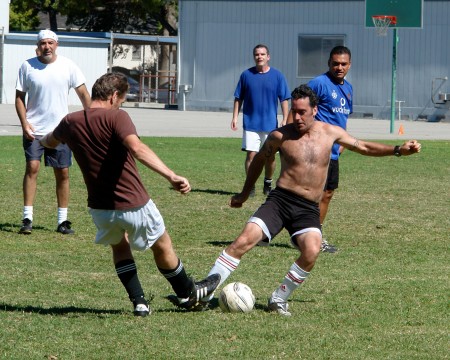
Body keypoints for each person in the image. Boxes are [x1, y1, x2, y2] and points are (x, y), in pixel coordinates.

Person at [201, 84, 421, 316]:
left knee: (312, 250)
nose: (297, 117)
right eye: (294, 111)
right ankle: (203, 293)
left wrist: (398, 150)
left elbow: (363, 146)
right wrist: (245, 193)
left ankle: (279, 298)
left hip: (307, 208)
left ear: (314, 110)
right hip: (280, 201)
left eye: (302, 112)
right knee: (243, 241)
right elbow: (259, 161)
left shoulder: (331, 133)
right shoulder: (280, 135)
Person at [39, 72, 220, 316]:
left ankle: (140, 303)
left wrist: (38, 137)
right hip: (133, 203)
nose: (121, 104)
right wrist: (171, 175)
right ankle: (188, 293)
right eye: (122, 99)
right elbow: (137, 148)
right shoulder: (117, 117)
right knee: (162, 244)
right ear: (114, 96)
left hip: (100, 208)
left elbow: (49, 141)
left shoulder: (70, 121)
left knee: (120, 248)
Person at [15, 29, 91, 235]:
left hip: (61, 131)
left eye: (50, 43)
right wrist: (24, 124)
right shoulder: (27, 66)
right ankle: (27, 218)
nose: (46, 46)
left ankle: (62, 221)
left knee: (63, 172)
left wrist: (91, 118)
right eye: (43, 43)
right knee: (32, 167)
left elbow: (83, 94)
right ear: (37, 46)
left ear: (56, 45)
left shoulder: (68, 66)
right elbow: (19, 98)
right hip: (34, 130)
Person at [307, 45, 353, 253]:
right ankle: (269, 229)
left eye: (343, 64)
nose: (339, 67)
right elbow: (299, 107)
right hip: (316, 151)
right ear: (329, 63)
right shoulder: (318, 83)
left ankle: (316, 235)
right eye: (335, 63)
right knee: (305, 194)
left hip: (333, 152)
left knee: (327, 194)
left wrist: (342, 142)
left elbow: (342, 120)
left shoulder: (349, 89)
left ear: (349, 65)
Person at [231, 44, 290, 196]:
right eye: (257, 54)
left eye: (263, 54)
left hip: (270, 125)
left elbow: (284, 98)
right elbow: (239, 98)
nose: (260, 57)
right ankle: (250, 186)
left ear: (268, 57)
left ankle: (268, 182)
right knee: (251, 155)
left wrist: (285, 118)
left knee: (269, 157)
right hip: (251, 124)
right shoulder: (246, 75)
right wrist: (234, 117)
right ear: (254, 57)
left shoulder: (277, 76)